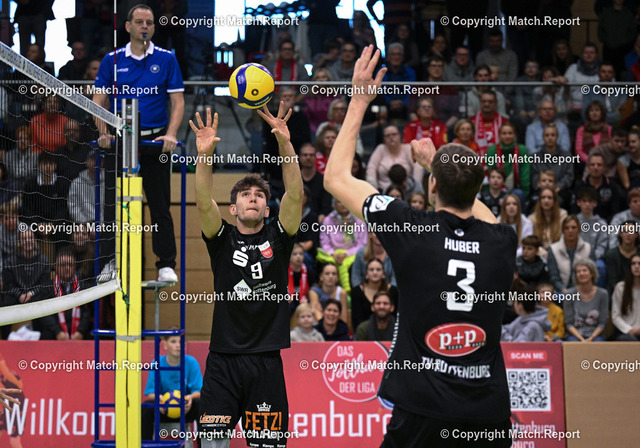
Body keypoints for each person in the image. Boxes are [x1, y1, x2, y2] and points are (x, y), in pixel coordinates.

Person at [323, 45, 515, 447]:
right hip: (486, 411)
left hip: (422, 409)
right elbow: (483, 214)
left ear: (431, 186)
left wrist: (358, 101)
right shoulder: (501, 241)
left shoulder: (411, 228)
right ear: (479, 189)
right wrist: (439, 166)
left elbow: (336, 178)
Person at [191, 101, 302, 447]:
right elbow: (203, 201)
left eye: (259, 196)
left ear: (267, 209)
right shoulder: (221, 238)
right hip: (222, 362)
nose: (252, 198)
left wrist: (285, 144)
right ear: (233, 207)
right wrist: (204, 156)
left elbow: (295, 195)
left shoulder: (279, 236)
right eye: (245, 194)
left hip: (266, 361)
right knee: (211, 444)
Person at [94, 4, 184, 283]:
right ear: (128, 26)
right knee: (112, 205)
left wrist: (171, 134)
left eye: (150, 22)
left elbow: (178, 101)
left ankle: (166, 265)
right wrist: (104, 132)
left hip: (155, 143)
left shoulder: (167, 59)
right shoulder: (112, 60)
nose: (145, 26)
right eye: (140, 22)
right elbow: (98, 101)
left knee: (160, 206)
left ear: (154, 28)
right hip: (120, 141)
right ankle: (110, 262)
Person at [142, 330, 203, 441]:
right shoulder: (156, 363)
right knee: (146, 407)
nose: (178, 345)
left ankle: (203, 444)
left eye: (181, 342)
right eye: (173, 341)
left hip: (185, 410)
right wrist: (160, 400)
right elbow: (150, 393)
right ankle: (147, 444)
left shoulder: (191, 362)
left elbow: (199, 391)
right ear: (165, 345)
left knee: (202, 404)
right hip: (163, 410)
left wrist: (189, 398)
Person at [39, 249, 92, 340]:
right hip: (56, 332)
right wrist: (58, 331)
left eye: (70, 265)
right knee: (46, 335)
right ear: (56, 267)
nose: (67, 268)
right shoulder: (48, 286)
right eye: (63, 265)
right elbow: (45, 313)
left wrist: (80, 332)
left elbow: (88, 312)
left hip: (79, 333)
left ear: (74, 267)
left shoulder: (83, 285)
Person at [316, 198, 367, 292]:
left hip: (352, 254)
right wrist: (333, 254)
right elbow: (324, 242)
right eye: (339, 201)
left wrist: (346, 254)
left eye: (345, 201)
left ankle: (350, 292)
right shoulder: (328, 220)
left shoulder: (359, 219)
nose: (343, 204)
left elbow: (362, 243)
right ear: (334, 204)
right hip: (332, 254)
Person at [572, 153, 626, 222]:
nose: (596, 167)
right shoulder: (579, 187)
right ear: (588, 166)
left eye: (599, 165)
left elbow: (615, 212)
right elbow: (574, 211)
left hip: (607, 225)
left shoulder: (613, 187)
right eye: (592, 165)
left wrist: (603, 224)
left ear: (604, 167)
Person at [564, 259, 609, 342]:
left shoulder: (603, 294)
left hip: (595, 335)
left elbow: (602, 323)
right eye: (578, 272)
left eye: (584, 270)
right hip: (575, 335)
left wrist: (591, 338)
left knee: (598, 343)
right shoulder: (569, 294)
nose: (581, 273)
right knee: (573, 343)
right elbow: (568, 323)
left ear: (592, 273)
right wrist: (581, 339)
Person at [368, 125, 424, 192]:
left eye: (394, 134)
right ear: (384, 138)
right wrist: (373, 188)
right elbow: (371, 167)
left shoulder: (408, 148)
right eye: (388, 135)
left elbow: (418, 167)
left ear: (400, 136)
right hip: (383, 190)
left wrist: (415, 188)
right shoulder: (380, 149)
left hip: (406, 190)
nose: (391, 137)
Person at [486, 122, 531, 203]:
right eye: (504, 133)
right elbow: (490, 174)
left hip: (516, 189)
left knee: (519, 194)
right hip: (497, 189)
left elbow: (525, 175)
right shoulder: (492, 150)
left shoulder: (521, 150)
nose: (507, 136)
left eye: (510, 133)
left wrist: (525, 194)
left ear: (514, 135)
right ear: (499, 136)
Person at [547, 216, 594, 293]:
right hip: (561, 292)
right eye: (566, 228)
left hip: (583, 291)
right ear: (563, 230)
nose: (570, 231)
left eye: (573, 227)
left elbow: (591, 274)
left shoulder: (588, 248)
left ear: (579, 229)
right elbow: (554, 277)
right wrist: (565, 291)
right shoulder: (553, 249)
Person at [350, 257, 399, 330]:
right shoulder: (357, 291)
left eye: (378, 270)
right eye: (371, 270)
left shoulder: (393, 291)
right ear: (366, 273)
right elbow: (356, 319)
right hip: (363, 332)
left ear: (383, 273)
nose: (375, 272)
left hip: (390, 330)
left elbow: (396, 316)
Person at [530, 124, 575, 202]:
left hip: (560, 190)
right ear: (543, 137)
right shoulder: (535, 157)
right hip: (540, 190)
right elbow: (534, 176)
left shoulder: (566, 155)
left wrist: (558, 186)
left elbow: (569, 176)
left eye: (553, 135)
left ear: (557, 137)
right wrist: (544, 187)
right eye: (547, 135)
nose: (550, 138)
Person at [528, 187, 568, 254]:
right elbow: (531, 242)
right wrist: (543, 253)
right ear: (539, 201)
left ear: (554, 200)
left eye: (549, 198)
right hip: (539, 254)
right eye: (543, 197)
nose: (546, 200)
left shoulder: (563, 215)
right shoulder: (532, 218)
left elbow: (563, 239)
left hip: (559, 252)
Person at [605, 221, 640, 294]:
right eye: (625, 231)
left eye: (631, 231)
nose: (628, 234)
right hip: (618, 292)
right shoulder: (611, 255)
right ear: (620, 234)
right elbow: (613, 281)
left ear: (637, 235)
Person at [470, 90, 509, 156]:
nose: (486, 104)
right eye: (484, 101)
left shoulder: (504, 122)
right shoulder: (471, 122)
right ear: (480, 102)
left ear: (496, 103)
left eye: (490, 102)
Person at [611, 254, 640, 341]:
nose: (636, 266)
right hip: (625, 332)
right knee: (629, 340)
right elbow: (616, 316)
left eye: (639, 264)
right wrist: (629, 330)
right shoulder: (620, 288)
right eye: (633, 264)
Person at [286, 243, 311, 316]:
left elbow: (311, 287)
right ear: (289, 256)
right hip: (289, 297)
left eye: (301, 254)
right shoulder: (284, 270)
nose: (298, 256)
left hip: (302, 297)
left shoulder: (308, 270)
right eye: (295, 254)